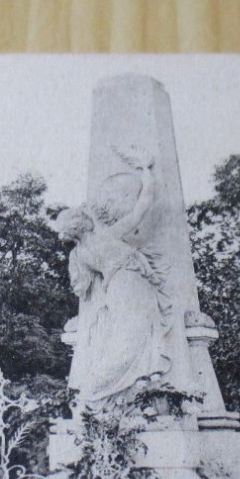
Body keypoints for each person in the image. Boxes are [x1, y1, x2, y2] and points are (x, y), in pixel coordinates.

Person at [56, 148, 172, 408]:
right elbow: (141, 209)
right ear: (82, 223)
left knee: (127, 342)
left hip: (117, 292)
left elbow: (82, 288)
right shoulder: (107, 236)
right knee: (129, 343)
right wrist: (145, 173)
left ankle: (103, 394)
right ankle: (96, 393)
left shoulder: (80, 254)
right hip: (132, 287)